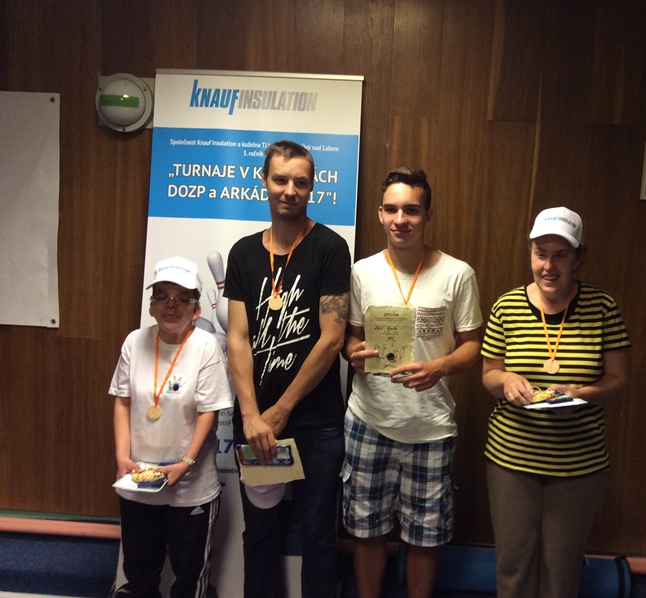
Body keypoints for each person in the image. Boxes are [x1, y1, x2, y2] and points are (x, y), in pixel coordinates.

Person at [343, 167, 483, 598]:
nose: (400, 219)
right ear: (380, 214)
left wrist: (439, 367)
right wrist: (353, 353)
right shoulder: (362, 272)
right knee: (365, 528)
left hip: (430, 426)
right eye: (391, 209)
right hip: (369, 421)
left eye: (411, 210)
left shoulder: (458, 274)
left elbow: (473, 347)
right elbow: (351, 337)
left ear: (428, 215)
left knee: (426, 535)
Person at [481, 206, 632, 598]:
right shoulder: (507, 305)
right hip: (512, 459)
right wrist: (506, 380)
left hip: (578, 463)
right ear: (530, 255)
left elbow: (618, 378)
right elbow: (489, 374)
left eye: (560, 255)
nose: (548, 266)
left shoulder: (602, 307)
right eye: (540, 254)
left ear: (578, 258)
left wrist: (584, 394)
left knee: (562, 570)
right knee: (513, 567)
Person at [224, 140, 351, 598]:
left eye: (300, 182)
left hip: (316, 424)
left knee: (317, 536)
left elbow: (332, 338)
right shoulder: (243, 253)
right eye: (280, 179)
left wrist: (282, 409)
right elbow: (237, 338)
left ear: (312, 187)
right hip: (256, 425)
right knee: (260, 533)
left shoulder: (331, 248)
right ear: (264, 181)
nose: (290, 190)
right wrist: (252, 416)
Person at [110, 256, 233, 598]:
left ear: (196, 309)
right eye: (162, 296)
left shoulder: (205, 346)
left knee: (189, 576)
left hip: (190, 486)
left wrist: (186, 463)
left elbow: (208, 413)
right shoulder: (134, 342)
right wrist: (122, 457)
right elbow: (122, 401)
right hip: (138, 480)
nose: (171, 306)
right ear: (151, 306)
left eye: (182, 299)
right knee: (139, 573)